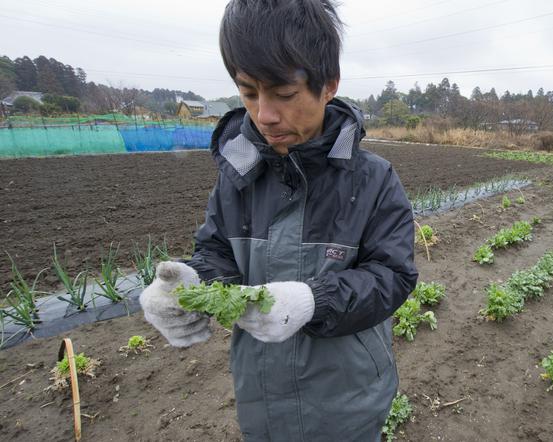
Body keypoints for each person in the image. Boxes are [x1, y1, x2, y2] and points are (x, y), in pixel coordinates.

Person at [138, 0, 419, 440]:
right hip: (261, 397)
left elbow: (393, 277)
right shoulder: (238, 175)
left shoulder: (373, 179)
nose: (264, 115)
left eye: (284, 95)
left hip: (349, 402)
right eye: (248, 92)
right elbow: (216, 254)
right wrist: (189, 287)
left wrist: (313, 300)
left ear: (328, 86)